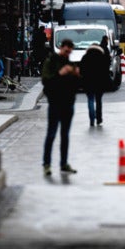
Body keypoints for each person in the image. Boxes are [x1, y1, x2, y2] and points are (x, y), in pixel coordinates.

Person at [40, 38, 79, 177]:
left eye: (70, 52)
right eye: (66, 51)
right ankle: (46, 164)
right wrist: (60, 73)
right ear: (61, 48)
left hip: (68, 104)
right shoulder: (51, 61)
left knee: (65, 135)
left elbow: (77, 85)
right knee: (51, 134)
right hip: (55, 103)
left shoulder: (71, 64)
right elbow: (46, 80)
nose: (67, 54)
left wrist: (76, 75)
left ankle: (64, 163)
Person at [77, 37, 112, 128]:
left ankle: (92, 119)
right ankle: (99, 119)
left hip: (88, 82)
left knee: (90, 100)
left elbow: (81, 70)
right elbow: (106, 69)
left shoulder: (85, 57)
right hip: (100, 82)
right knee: (98, 100)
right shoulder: (102, 56)